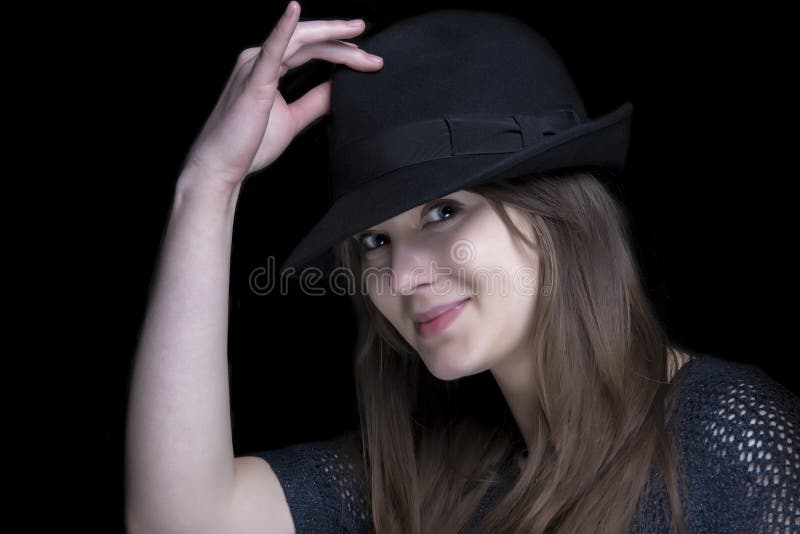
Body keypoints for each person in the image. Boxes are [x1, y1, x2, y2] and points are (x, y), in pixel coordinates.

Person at [124, 3, 800, 534]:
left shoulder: (730, 439)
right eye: (373, 242)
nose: (403, 277)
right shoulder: (435, 469)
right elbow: (179, 518)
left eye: (444, 212)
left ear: (557, 211)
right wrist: (208, 186)